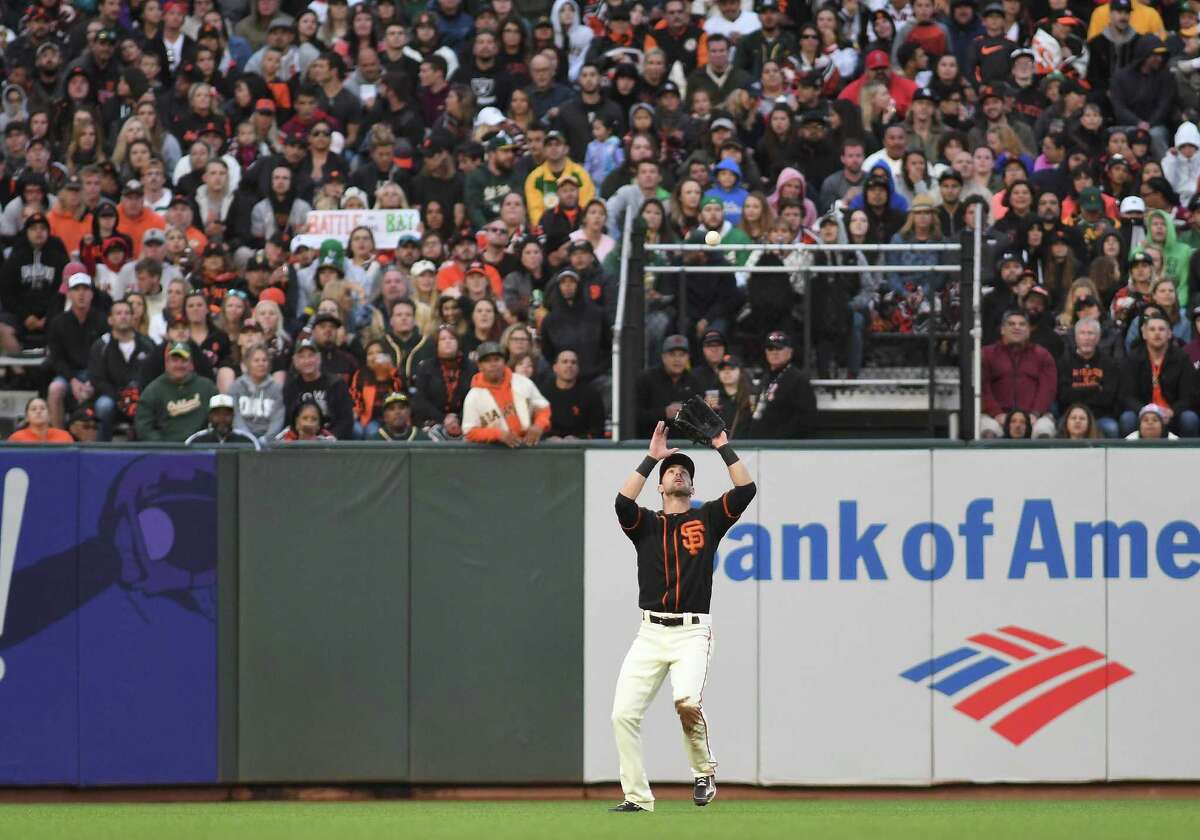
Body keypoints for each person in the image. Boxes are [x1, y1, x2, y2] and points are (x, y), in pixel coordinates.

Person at [610, 420, 756, 812]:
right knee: (623, 714)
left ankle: (703, 770)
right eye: (671, 470)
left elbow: (746, 490)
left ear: (691, 486)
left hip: (692, 633)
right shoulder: (645, 524)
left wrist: (722, 445)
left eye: (685, 471)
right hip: (649, 633)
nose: (678, 472)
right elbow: (622, 503)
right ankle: (638, 798)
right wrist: (650, 458)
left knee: (687, 701)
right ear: (660, 486)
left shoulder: (707, 518)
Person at [980, 310, 1059, 438]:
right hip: (995, 416)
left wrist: (1035, 413)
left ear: (1028, 330)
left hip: (1033, 416)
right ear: (1002, 330)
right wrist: (996, 413)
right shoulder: (986, 354)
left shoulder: (1043, 355)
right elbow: (982, 388)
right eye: (1011, 324)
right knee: (988, 431)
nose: (1017, 327)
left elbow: (1048, 389)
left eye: (1022, 324)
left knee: (1044, 431)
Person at [1117, 313, 1199, 436]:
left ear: (1169, 334)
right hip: (1142, 413)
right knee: (1127, 418)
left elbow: (1188, 396)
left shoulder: (1182, 358)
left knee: (1189, 418)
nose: (1157, 333)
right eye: (1152, 329)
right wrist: (1145, 411)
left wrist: (1172, 411)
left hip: (1172, 413)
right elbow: (1126, 395)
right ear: (1144, 334)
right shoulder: (1133, 359)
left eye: (1161, 329)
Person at [46, 272, 108, 430]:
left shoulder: (102, 320)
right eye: (76, 289)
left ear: (92, 294)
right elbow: (57, 358)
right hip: (68, 374)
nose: (81, 293)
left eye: (85, 289)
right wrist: (72, 380)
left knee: (104, 400)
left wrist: (93, 381)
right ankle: (59, 437)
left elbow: (105, 356)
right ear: (69, 294)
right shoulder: (58, 323)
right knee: (55, 389)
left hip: (96, 374)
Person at [88, 298, 156, 441]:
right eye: (118, 313)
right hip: (111, 397)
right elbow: (97, 379)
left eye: (127, 313)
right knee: (103, 406)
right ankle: (101, 450)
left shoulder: (148, 344)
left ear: (133, 318)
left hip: (141, 397)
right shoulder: (100, 346)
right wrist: (121, 397)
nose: (123, 316)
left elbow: (154, 375)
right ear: (110, 320)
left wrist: (137, 396)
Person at [462, 341, 551, 446]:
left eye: (497, 359)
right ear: (480, 366)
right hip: (494, 451)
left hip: (529, 444)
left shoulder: (523, 382)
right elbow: (469, 432)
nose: (493, 364)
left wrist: (539, 425)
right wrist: (498, 434)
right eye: (487, 361)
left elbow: (543, 408)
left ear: (504, 362)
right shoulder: (473, 396)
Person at [134, 341, 220, 441]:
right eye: (174, 360)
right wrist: (162, 446)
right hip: (165, 451)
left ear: (191, 364)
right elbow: (143, 427)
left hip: (200, 448)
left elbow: (219, 418)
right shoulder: (153, 390)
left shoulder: (208, 387)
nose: (179, 365)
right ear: (166, 364)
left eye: (184, 360)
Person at [1057, 318, 1122, 438]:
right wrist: (1095, 389)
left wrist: (1076, 391)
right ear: (1076, 337)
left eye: (1090, 333)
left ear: (1098, 338)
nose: (1086, 338)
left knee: (1111, 428)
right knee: (1060, 425)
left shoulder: (1109, 363)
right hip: (1071, 416)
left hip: (1100, 416)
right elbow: (1064, 395)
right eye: (1082, 333)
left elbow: (1108, 397)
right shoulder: (1064, 362)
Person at [747, 331, 817, 439]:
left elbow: (806, 418)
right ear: (766, 352)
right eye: (770, 349)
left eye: (779, 348)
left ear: (790, 352)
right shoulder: (765, 377)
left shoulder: (798, 379)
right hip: (759, 445)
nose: (774, 352)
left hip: (783, 448)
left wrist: (780, 439)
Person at [282, 337, 355, 440]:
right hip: (299, 442)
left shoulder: (336, 384)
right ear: (295, 361)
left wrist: (330, 437)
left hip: (330, 442)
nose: (307, 361)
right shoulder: (290, 387)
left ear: (319, 358)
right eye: (301, 357)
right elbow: (287, 420)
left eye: (311, 356)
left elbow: (346, 420)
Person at [635, 335, 701, 438]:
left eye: (682, 355)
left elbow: (700, 419)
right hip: (650, 444)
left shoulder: (694, 381)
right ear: (664, 357)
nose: (677, 359)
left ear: (688, 358)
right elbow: (634, 415)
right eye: (672, 355)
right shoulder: (646, 379)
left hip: (685, 446)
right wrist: (664, 413)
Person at [228, 344, 286, 443]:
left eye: (264, 360)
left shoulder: (276, 389)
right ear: (247, 363)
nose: (261, 364)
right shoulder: (236, 386)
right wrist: (248, 438)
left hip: (269, 442)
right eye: (256, 360)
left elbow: (278, 418)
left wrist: (266, 439)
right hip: (241, 439)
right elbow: (235, 415)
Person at [544, 348, 604, 440]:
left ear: (578, 368)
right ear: (555, 368)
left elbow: (597, 430)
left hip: (581, 447)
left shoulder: (591, 394)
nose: (569, 365)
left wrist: (579, 439)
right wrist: (547, 438)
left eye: (573, 362)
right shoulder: (543, 393)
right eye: (565, 362)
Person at [185, 393, 261, 448]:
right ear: (210, 417)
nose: (222, 418)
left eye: (226, 414)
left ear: (233, 416)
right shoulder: (196, 440)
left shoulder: (247, 440)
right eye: (217, 414)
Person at [6, 397, 74, 443]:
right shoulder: (16, 439)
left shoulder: (64, 436)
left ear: (50, 415)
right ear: (27, 417)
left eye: (42, 408)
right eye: (33, 409)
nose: (38, 411)